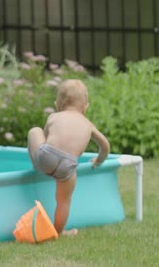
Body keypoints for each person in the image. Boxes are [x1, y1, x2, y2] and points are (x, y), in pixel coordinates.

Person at [27, 79, 110, 236]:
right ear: (85, 107)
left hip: (47, 156)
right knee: (64, 201)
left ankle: (36, 164)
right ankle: (58, 232)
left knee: (34, 131)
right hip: (69, 165)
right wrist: (99, 160)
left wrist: (41, 160)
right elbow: (105, 145)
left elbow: (45, 138)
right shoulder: (88, 124)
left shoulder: (54, 117)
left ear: (57, 105)